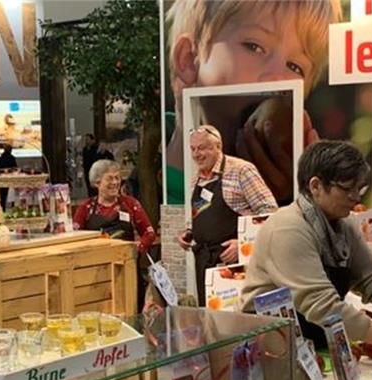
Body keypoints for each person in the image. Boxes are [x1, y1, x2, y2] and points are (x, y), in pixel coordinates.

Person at [241, 141, 372, 364]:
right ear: (316, 186)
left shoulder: (342, 225)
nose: (356, 197)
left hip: (313, 344)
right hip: (271, 350)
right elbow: (323, 307)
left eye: (360, 189)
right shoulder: (288, 229)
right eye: (347, 189)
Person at [164, 0, 341, 206]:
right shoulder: (156, 188)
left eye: (295, 67)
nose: (278, 78)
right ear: (189, 59)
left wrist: (303, 199)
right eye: (254, 46)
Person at [177, 125, 277, 306]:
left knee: (238, 320)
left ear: (218, 146)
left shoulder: (241, 170)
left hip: (235, 265)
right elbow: (200, 214)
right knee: (211, 319)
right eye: (193, 149)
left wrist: (243, 244)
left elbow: (270, 213)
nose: (196, 154)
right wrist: (189, 232)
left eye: (202, 148)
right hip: (205, 262)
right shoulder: (197, 178)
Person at [73, 159, 156, 256]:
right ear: (97, 183)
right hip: (95, 264)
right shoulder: (86, 208)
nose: (115, 182)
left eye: (117, 178)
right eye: (110, 178)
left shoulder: (130, 204)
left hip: (126, 263)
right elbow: (75, 237)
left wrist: (137, 248)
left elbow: (149, 233)